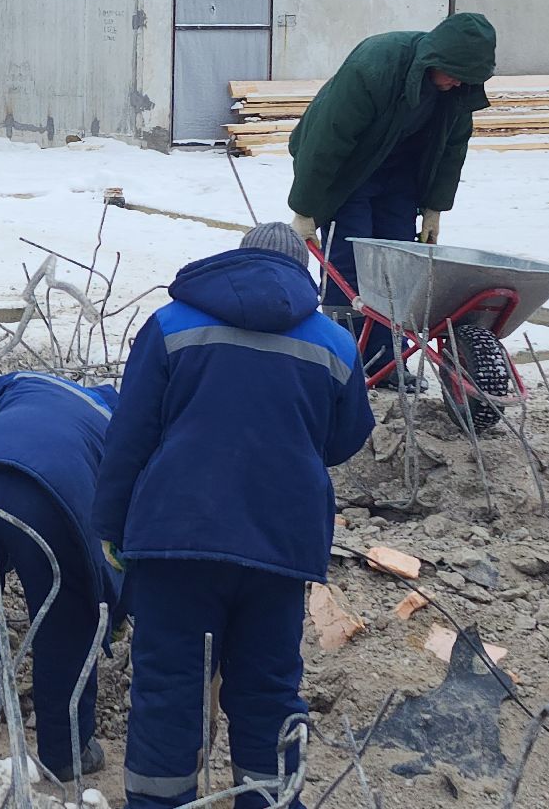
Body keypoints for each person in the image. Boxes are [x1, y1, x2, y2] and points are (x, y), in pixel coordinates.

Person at [94, 223, 375, 809]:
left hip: (175, 541)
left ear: (238, 261)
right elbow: (346, 438)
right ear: (302, 274)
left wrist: (112, 527)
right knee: (268, 691)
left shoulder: (170, 325)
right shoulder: (335, 342)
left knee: (170, 686)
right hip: (280, 547)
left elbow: (130, 435)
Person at [0, 371, 122, 782]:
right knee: (66, 616)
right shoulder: (119, 424)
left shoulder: (23, 382)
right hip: (55, 497)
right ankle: (66, 753)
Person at [286, 13, 496, 383]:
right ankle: (344, 363)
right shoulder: (376, 65)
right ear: (434, 57)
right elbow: (326, 140)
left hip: (400, 174)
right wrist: (305, 209)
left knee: (397, 266)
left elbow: (451, 149)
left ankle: (382, 363)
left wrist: (434, 207)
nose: (457, 81)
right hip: (349, 170)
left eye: (466, 76)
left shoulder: (458, 90)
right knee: (350, 264)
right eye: (452, 71)